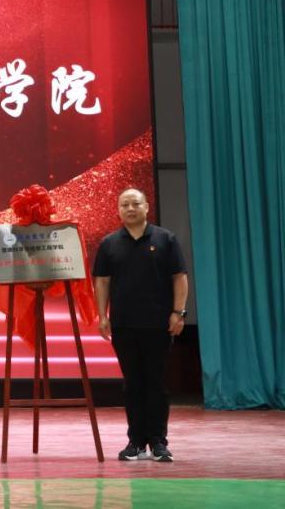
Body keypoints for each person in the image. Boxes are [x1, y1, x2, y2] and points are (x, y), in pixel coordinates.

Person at [93, 188, 189, 463]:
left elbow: (179, 277)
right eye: (125, 205)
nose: (130, 209)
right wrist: (102, 316)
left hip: (159, 324)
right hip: (124, 325)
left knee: (156, 382)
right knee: (132, 383)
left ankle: (158, 442)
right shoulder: (109, 243)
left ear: (146, 207)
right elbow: (102, 282)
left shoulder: (165, 239)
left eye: (135, 204)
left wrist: (178, 312)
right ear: (118, 210)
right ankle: (135, 441)